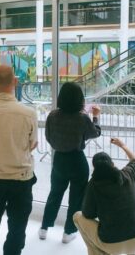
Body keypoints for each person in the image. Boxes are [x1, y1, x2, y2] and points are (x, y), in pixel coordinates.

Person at [0, 65, 38, 255]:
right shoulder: (29, 113)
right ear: (15, 82)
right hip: (21, 178)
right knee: (18, 226)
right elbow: (33, 144)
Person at [39, 82, 101, 243]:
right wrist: (96, 116)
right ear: (79, 99)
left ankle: (44, 228)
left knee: (55, 193)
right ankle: (68, 232)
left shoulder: (53, 115)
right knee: (76, 198)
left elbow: (48, 136)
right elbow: (95, 133)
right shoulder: (82, 118)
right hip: (77, 160)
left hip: (59, 159)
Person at [73, 138, 135, 255]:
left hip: (112, 245)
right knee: (130, 223)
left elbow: (88, 214)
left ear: (94, 167)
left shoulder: (93, 185)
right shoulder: (128, 175)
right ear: (113, 164)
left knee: (77, 216)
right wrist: (122, 145)